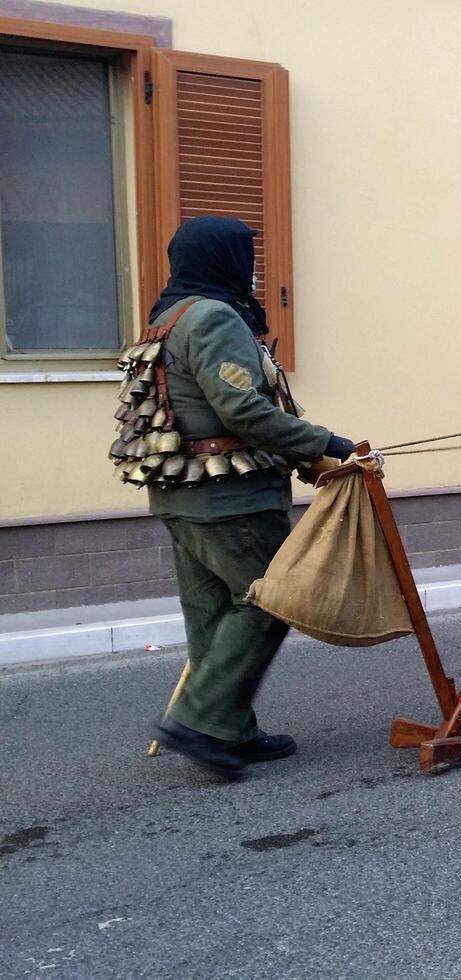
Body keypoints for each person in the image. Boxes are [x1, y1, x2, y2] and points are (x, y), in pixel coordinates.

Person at [119, 216, 355, 778]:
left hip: (182, 494)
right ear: (223, 260)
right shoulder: (215, 317)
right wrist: (325, 443)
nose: (250, 266)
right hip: (230, 496)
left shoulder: (167, 318)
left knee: (215, 612)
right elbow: (244, 412)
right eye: (244, 254)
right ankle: (200, 723)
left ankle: (231, 730)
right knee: (274, 598)